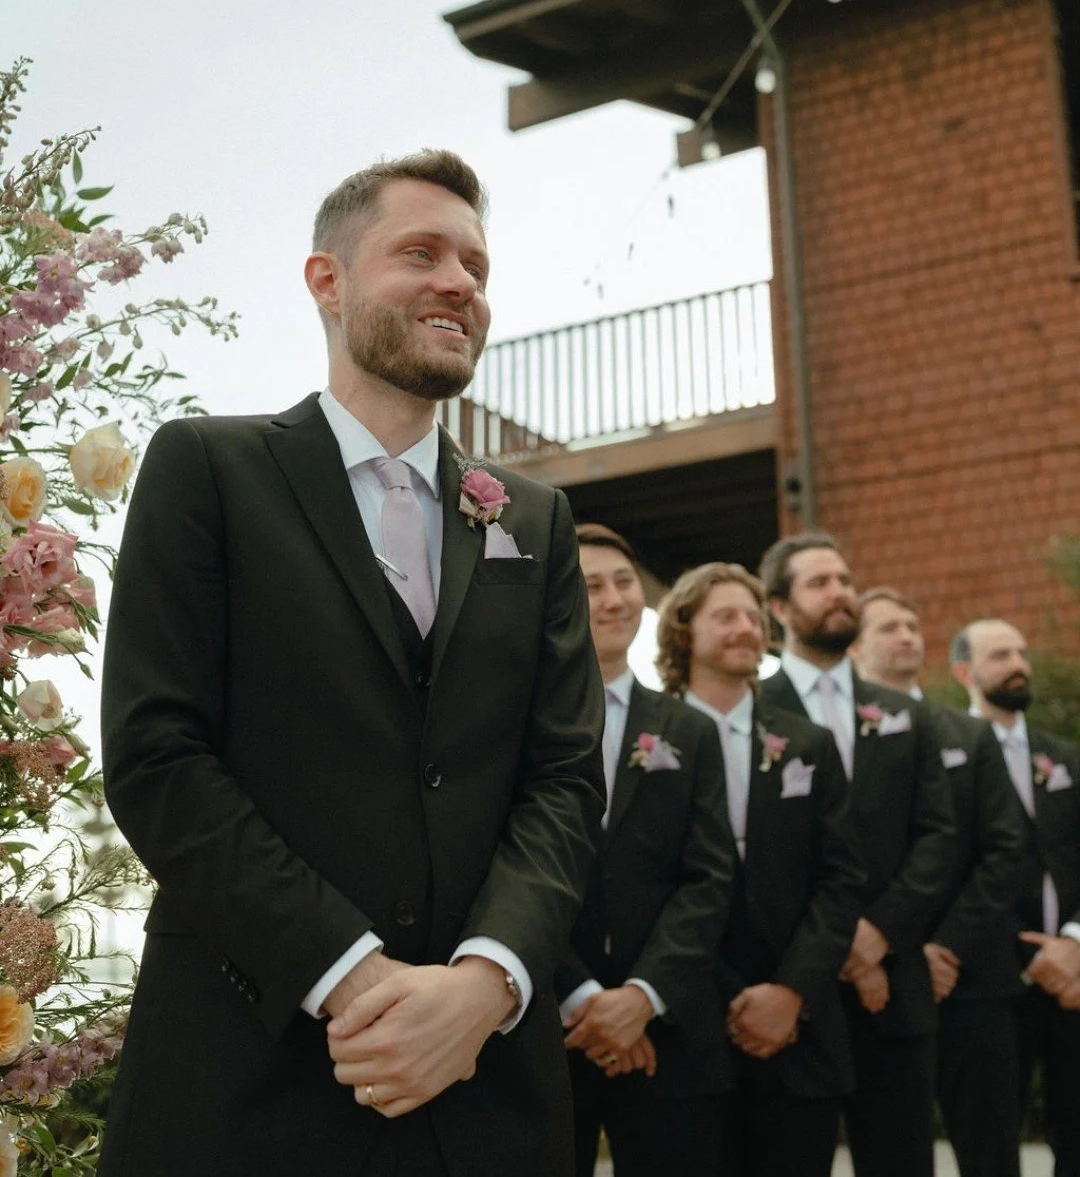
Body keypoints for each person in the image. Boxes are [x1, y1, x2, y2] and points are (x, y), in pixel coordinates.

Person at [99, 151, 606, 1177]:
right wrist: (354, 979)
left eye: (475, 265)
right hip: (251, 1074)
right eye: (420, 253)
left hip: (485, 1094)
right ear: (326, 281)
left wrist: (486, 985)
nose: (459, 283)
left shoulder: (535, 519)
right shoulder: (209, 469)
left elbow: (563, 777)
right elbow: (159, 755)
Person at [659, 561, 864, 1177]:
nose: (747, 628)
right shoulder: (652, 740)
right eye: (726, 616)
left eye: (753, 617)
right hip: (683, 1029)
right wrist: (721, 995)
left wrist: (791, 991)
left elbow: (840, 878)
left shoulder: (807, 743)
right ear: (684, 630)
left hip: (798, 1029)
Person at [757, 534, 954, 1177]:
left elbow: (939, 836)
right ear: (779, 608)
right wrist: (834, 947)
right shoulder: (753, 711)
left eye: (845, 580)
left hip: (894, 989)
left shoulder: (904, 715)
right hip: (793, 991)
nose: (840, 592)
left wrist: (878, 934)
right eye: (820, 583)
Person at [556, 524, 734, 1177]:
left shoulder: (689, 728)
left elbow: (709, 876)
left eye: (624, 582)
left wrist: (640, 997)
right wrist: (582, 998)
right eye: (591, 586)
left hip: (669, 1028)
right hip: (550, 1027)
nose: (613, 600)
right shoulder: (519, 718)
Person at [854, 589, 1025, 1177]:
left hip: (970, 978)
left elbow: (1004, 849)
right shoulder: (834, 737)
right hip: (875, 979)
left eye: (912, 624)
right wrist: (886, 945)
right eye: (888, 627)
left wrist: (944, 947)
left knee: (991, 1151)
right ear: (855, 648)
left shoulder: (968, 734)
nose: (907, 635)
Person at [951, 619, 1080, 1176]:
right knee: (990, 1145)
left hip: (1073, 977)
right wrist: (1023, 951)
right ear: (965, 672)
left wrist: (1073, 942)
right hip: (988, 981)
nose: (1018, 665)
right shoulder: (947, 755)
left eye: (1022, 653)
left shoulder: (1064, 756)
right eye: (1000, 655)